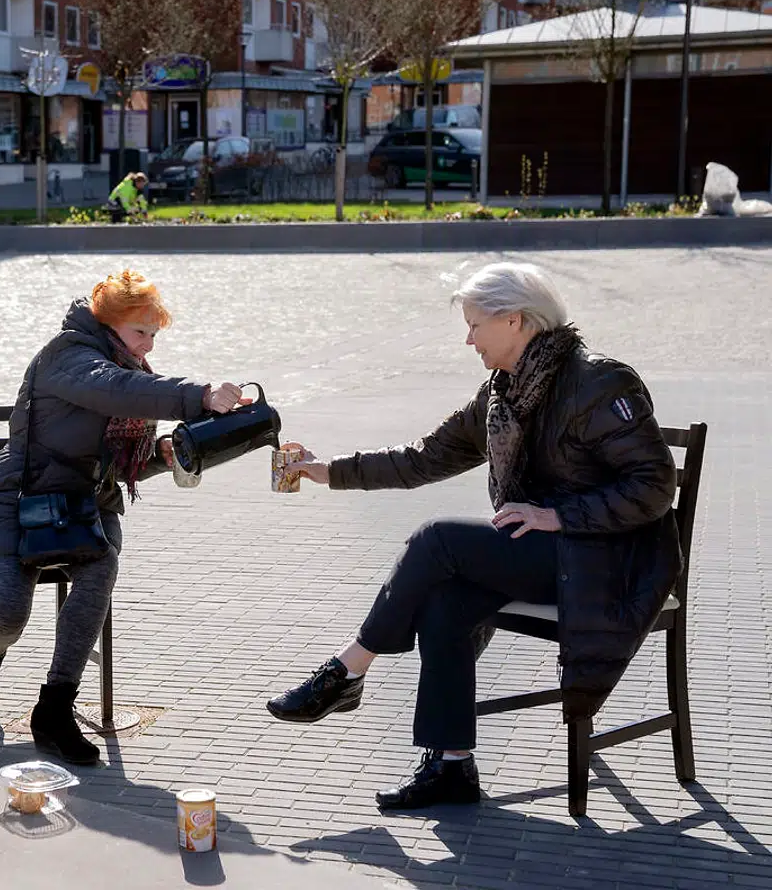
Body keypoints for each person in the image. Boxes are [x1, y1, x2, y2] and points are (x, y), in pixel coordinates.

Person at [265, 262, 681, 810]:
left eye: (474, 324)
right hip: (549, 552)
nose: (467, 339)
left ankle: (347, 670)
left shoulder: (600, 383)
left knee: (438, 538)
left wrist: (558, 516)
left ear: (515, 321)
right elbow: (425, 458)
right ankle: (452, 766)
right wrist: (332, 471)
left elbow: (654, 485)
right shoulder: (505, 391)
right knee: (446, 603)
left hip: (606, 561)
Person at [0, 269, 247, 765]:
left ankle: (53, 710)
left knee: (101, 566)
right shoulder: (69, 356)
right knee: (9, 613)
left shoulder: (130, 371)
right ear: (109, 324)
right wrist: (196, 395)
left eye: (155, 335)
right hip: (13, 502)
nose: (149, 347)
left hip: (78, 511)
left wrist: (172, 450)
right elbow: (117, 389)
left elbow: (123, 461)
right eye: (141, 333)